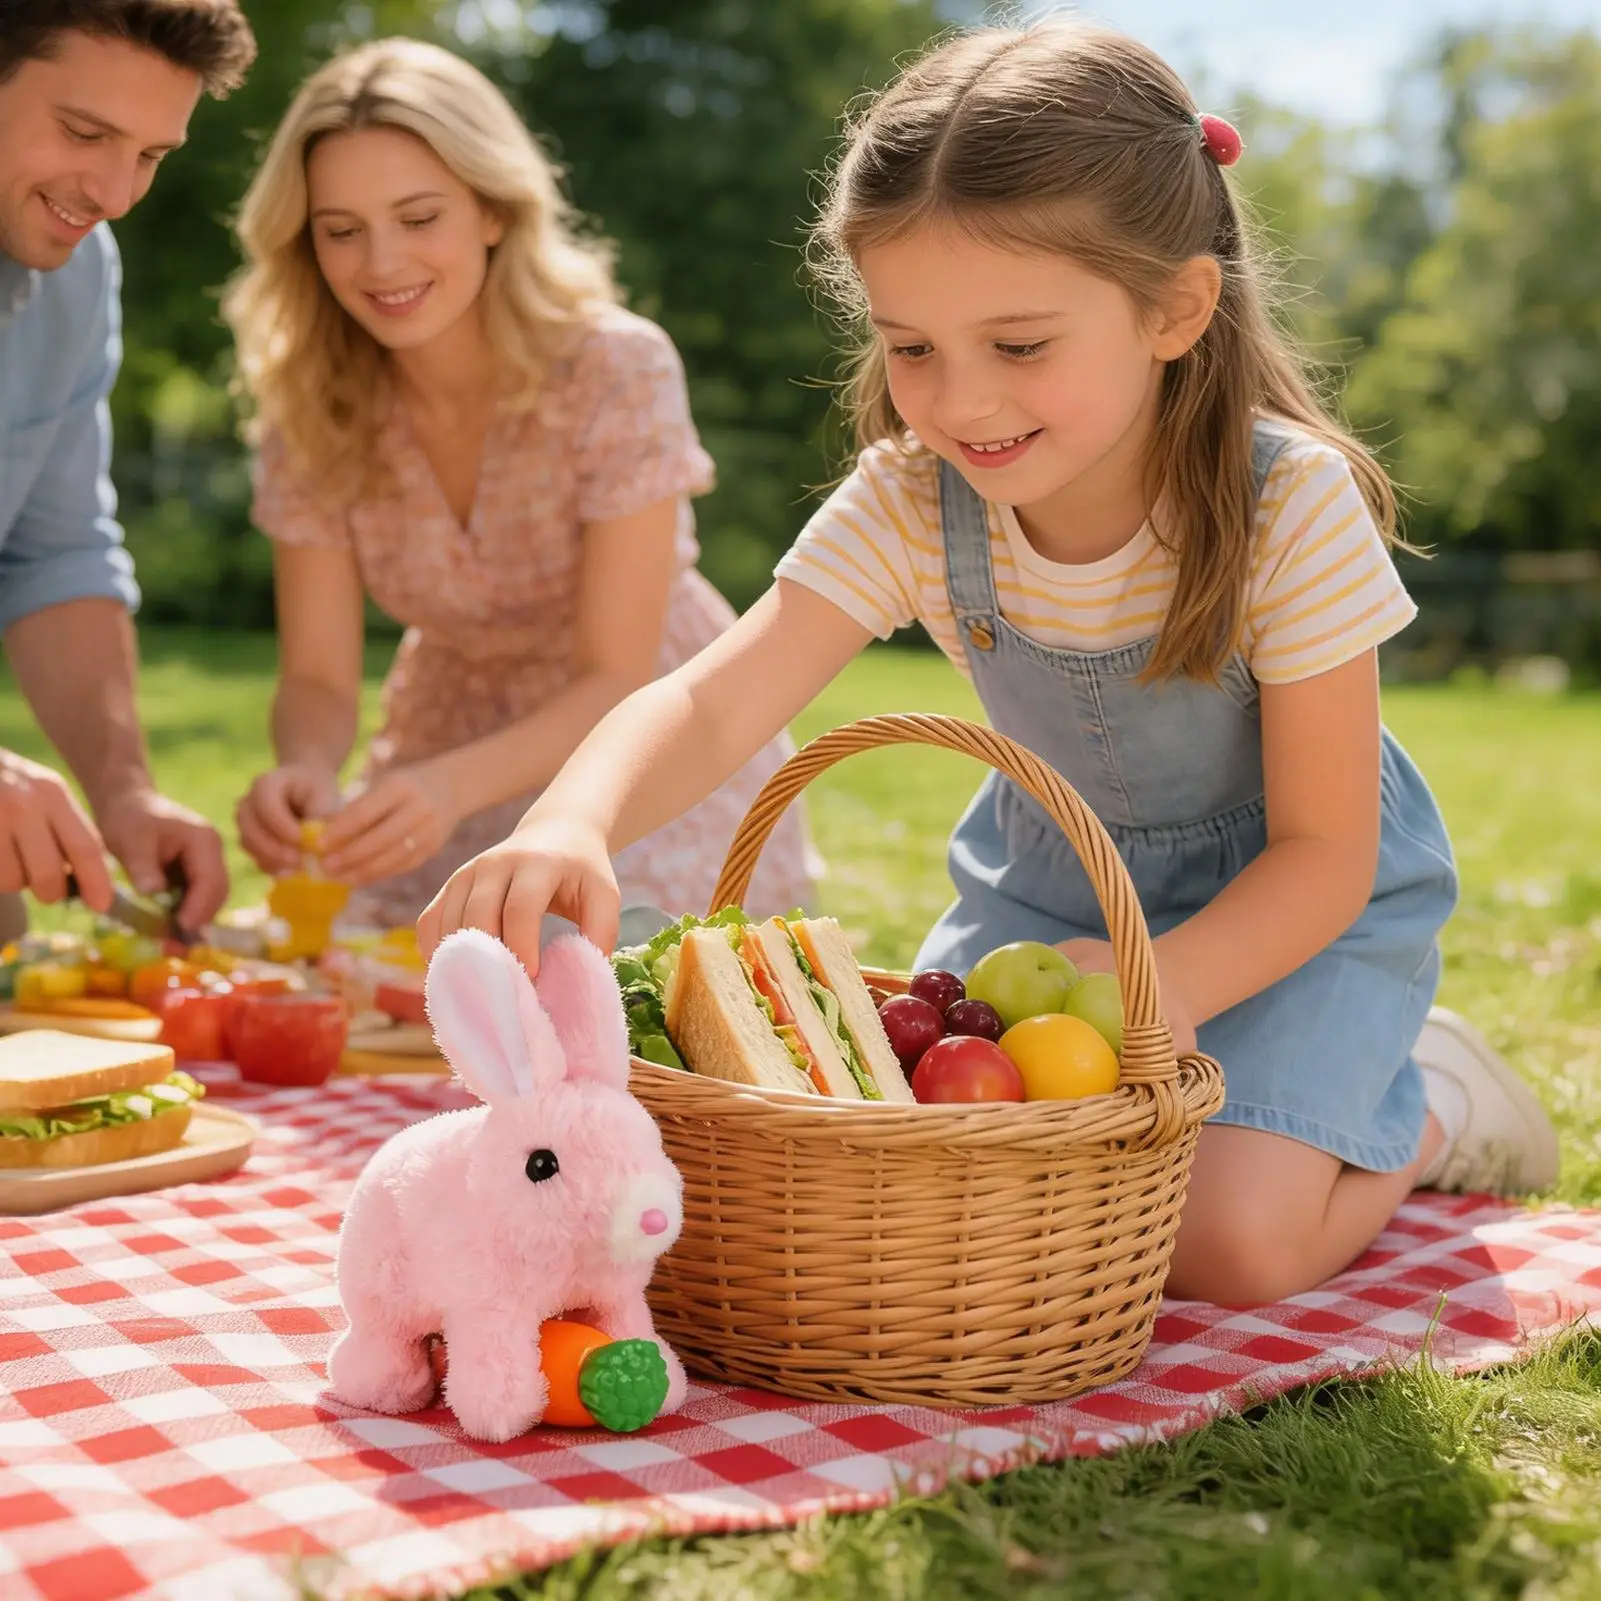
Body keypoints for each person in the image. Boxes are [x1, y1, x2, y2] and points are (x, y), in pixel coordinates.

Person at [417, 19, 1560, 1305]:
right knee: (951, 1199)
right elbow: (715, 689)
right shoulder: (914, 498)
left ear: (1174, 308)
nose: (959, 403)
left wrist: (1146, 989)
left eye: (1017, 346)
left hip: (1291, 911)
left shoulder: (1283, 505)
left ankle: (1422, 1107)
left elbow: (1324, 854)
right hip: (1051, 896)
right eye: (911, 348)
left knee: (1222, 1248)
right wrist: (575, 817)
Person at [224, 38, 814, 931]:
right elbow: (316, 676)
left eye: (418, 218)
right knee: (352, 962)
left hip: (642, 742)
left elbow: (615, 672)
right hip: (443, 737)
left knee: (593, 962)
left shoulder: (614, 367)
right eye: (341, 230)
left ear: (493, 211)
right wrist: (306, 764)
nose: (381, 264)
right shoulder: (306, 404)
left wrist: (448, 787)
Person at [0, 0, 253, 939]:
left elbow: (54, 552)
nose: (113, 191)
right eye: (83, 131)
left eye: (150, 155)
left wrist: (124, 790)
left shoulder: (78, 272)